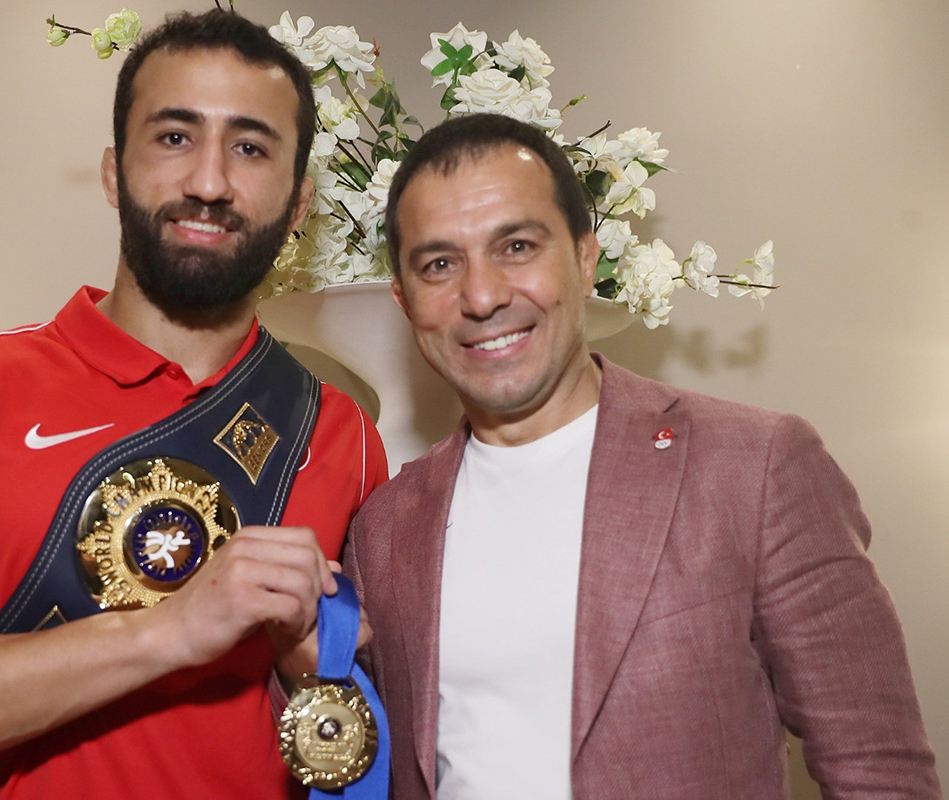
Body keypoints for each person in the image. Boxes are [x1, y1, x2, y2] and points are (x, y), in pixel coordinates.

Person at [0, 10, 386, 800]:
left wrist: (311, 665)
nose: (209, 182)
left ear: (298, 205)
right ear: (115, 173)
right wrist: (172, 631)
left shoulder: (341, 431)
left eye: (251, 148)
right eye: (175, 137)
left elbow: (363, 726)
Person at [343, 113, 941, 799]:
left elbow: (878, 769)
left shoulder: (755, 468)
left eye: (517, 246)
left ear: (585, 258)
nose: (482, 296)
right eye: (440, 265)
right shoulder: (385, 529)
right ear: (404, 299)